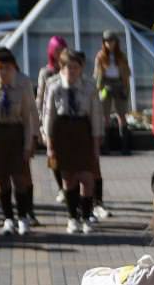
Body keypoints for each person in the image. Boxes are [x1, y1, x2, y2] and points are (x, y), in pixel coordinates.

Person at [44, 50, 104, 234]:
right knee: (68, 179)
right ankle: (72, 218)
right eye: (68, 67)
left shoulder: (89, 87)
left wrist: (96, 143)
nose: (72, 71)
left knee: (87, 178)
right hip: (62, 133)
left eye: (75, 67)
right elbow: (48, 116)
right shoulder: (54, 87)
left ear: (81, 68)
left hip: (83, 132)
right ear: (61, 68)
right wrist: (49, 144)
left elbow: (96, 116)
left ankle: (86, 216)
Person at [0, 47, 39, 236]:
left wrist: (31, 140)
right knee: (1, 179)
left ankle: (24, 215)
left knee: (21, 177)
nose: (2, 71)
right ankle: (8, 218)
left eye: (7, 67)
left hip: (16, 134)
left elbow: (30, 113)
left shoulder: (22, 83)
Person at [38, 35, 70, 209]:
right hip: (52, 119)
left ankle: (70, 188)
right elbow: (40, 97)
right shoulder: (46, 72)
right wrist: (40, 122)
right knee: (53, 157)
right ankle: (60, 188)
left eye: (62, 49)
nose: (59, 53)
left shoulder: (71, 67)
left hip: (69, 119)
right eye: (56, 49)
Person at [95, 30, 132, 156]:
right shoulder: (100, 56)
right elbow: (97, 74)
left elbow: (127, 73)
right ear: (103, 43)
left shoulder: (121, 56)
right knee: (105, 116)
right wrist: (99, 89)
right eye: (107, 41)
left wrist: (126, 89)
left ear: (116, 42)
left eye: (112, 41)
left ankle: (125, 146)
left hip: (119, 84)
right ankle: (106, 146)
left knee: (122, 115)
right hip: (106, 85)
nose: (109, 44)